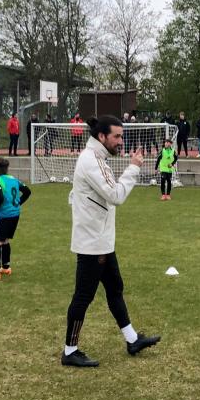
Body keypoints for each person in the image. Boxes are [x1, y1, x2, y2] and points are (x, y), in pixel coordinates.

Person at [61, 115, 160, 368]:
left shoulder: (97, 158)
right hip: (92, 243)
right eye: (116, 136)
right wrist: (134, 167)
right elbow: (115, 195)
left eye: (122, 136)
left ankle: (132, 339)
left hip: (102, 240)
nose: (120, 141)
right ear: (101, 137)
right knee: (83, 297)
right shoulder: (91, 160)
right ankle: (70, 351)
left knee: (115, 288)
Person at [0, 158, 32, 281]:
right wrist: (17, 204)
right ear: (7, 168)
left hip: (4, 215)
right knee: (5, 240)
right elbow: (28, 192)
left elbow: (0, 198)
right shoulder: (14, 179)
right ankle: (6, 267)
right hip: (15, 214)